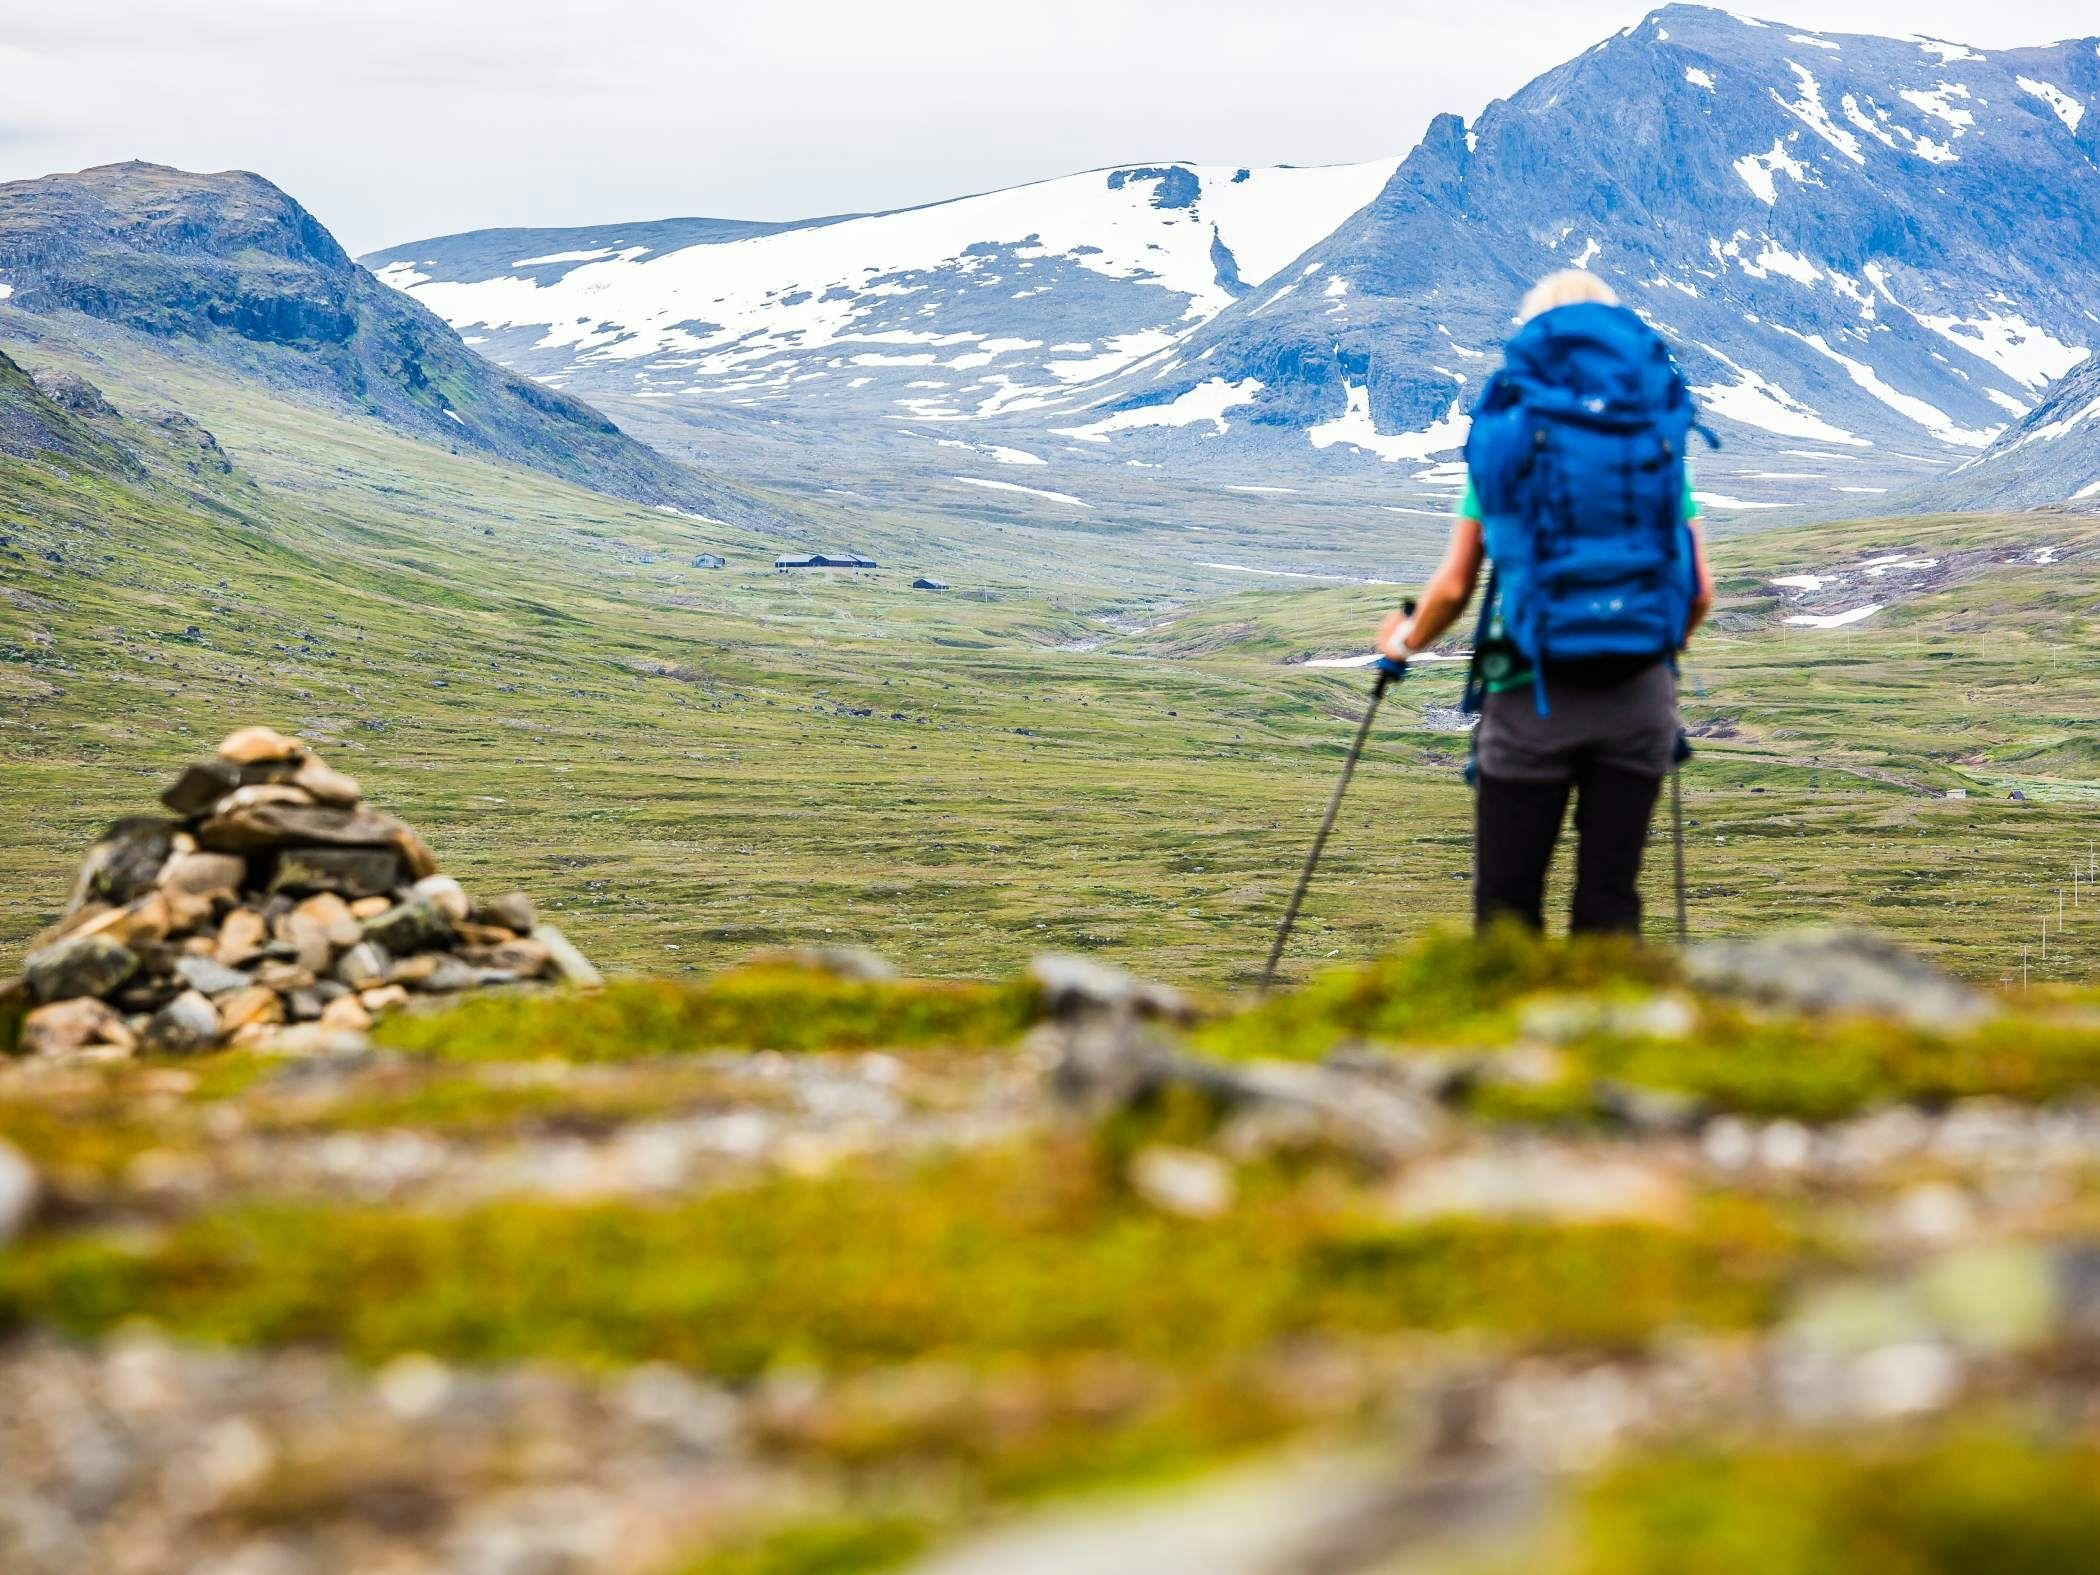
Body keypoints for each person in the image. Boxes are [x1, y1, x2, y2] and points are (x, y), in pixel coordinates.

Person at [1374, 270, 1714, 936]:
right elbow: (1698, 590)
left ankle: (1509, 1035)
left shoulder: (1508, 437)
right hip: (1638, 694)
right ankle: (1608, 1034)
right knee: (1610, 905)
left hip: (1531, 690)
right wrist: (1650, 653)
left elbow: (1453, 587)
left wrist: (1401, 642)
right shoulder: (1653, 441)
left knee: (1507, 910)